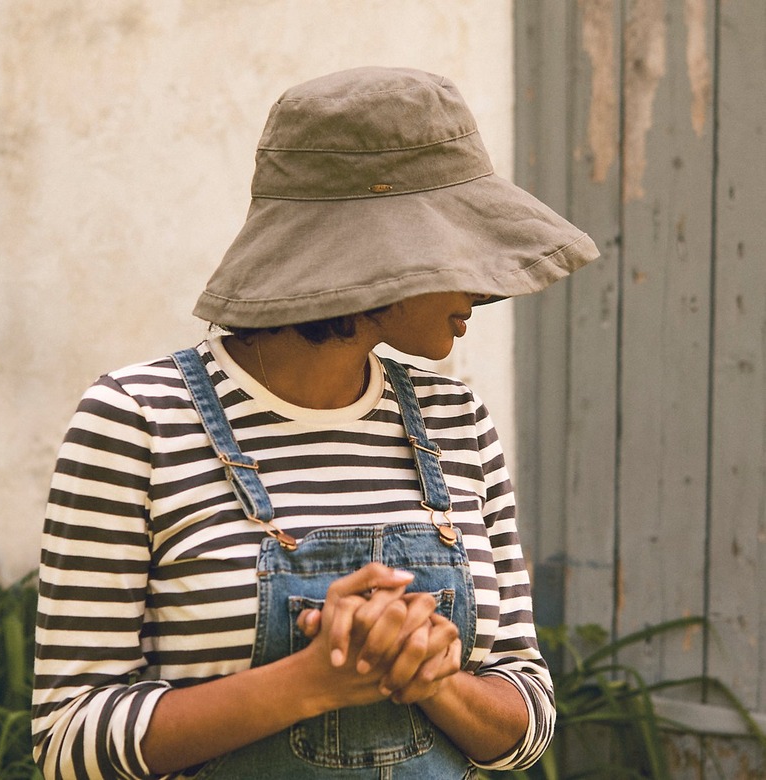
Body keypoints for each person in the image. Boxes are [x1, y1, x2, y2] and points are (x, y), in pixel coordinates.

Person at [32, 67, 599, 779]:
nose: (486, 284)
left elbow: (527, 720)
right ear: (380, 250)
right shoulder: (138, 421)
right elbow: (67, 742)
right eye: (462, 244)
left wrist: (431, 678)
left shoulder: (458, 421)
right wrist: (311, 682)